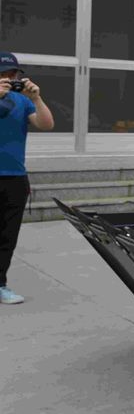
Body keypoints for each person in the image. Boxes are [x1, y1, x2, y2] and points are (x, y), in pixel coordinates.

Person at [0, 52, 54, 304]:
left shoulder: (22, 101)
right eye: (3, 75)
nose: (9, 79)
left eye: (12, 75)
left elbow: (46, 124)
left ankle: (0, 284)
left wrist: (37, 98)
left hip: (14, 178)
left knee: (7, 237)